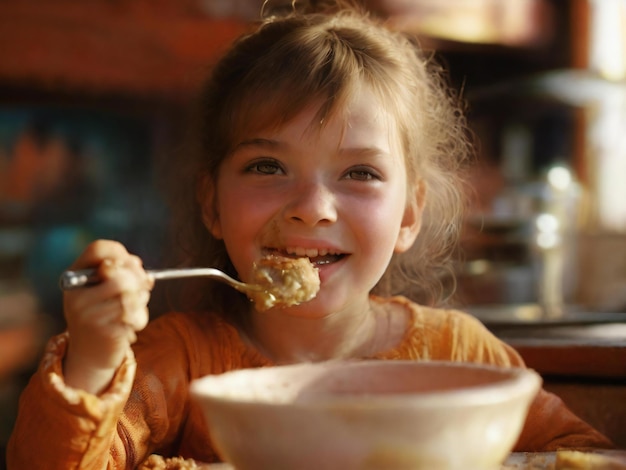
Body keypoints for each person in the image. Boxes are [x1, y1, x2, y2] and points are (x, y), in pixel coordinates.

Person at [7, 0, 612, 468]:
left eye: (360, 173)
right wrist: (92, 356)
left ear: (408, 214)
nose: (312, 209)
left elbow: (578, 453)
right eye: (268, 167)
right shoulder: (177, 364)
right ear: (211, 204)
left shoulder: (459, 356)